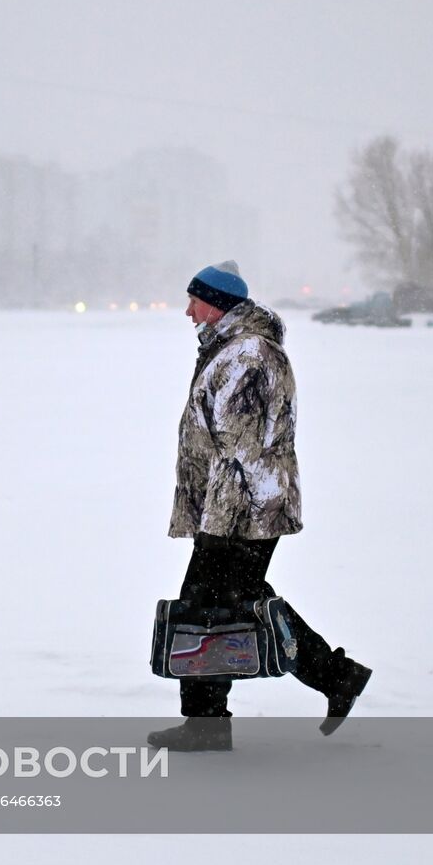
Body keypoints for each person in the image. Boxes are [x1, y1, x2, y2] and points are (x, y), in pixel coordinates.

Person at [147, 261, 372, 752]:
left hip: (243, 509)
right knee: (226, 601)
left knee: (208, 605)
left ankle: (212, 723)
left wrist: (217, 524)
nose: (188, 311)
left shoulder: (248, 355)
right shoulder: (231, 348)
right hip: (239, 505)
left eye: (195, 300)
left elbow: (241, 449)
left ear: (218, 302)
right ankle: (332, 677)